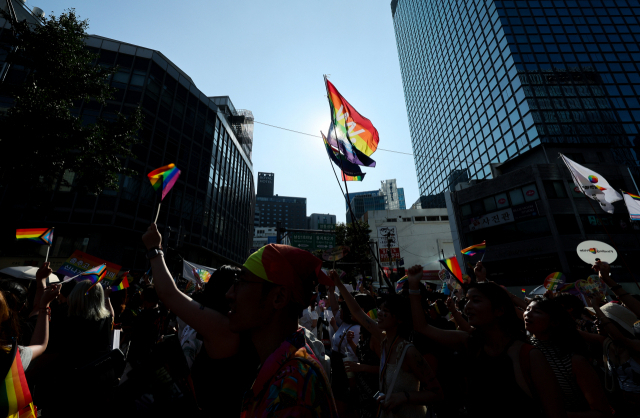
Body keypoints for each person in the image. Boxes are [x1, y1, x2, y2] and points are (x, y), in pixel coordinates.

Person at [142, 224, 338, 417]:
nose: (229, 294)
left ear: (278, 298)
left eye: (242, 282)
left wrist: (154, 250)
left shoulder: (293, 389)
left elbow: (169, 293)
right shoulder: (282, 367)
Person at [406, 264, 566, 418]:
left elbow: (554, 413)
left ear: (499, 310)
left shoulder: (528, 355)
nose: (467, 307)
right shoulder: (469, 342)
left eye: (475, 301)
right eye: (467, 300)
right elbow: (422, 327)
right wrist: (413, 286)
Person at [332, 270, 443, 417]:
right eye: (380, 309)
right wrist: (338, 284)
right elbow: (358, 311)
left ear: (399, 319)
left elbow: (437, 393)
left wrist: (404, 397)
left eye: (386, 311)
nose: (379, 313)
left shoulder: (408, 351)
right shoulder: (384, 338)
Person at [524, 296, 612, 417]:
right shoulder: (520, 350)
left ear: (554, 322)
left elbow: (602, 413)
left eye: (537, 312)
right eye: (527, 309)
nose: (528, 314)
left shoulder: (573, 360)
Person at [586, 295, 640, 416]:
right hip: (627, 408)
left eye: (600, 319)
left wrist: (596, 306)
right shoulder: (608, 343)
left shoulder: (635, 345)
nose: (595, 322)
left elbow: (620, 338)